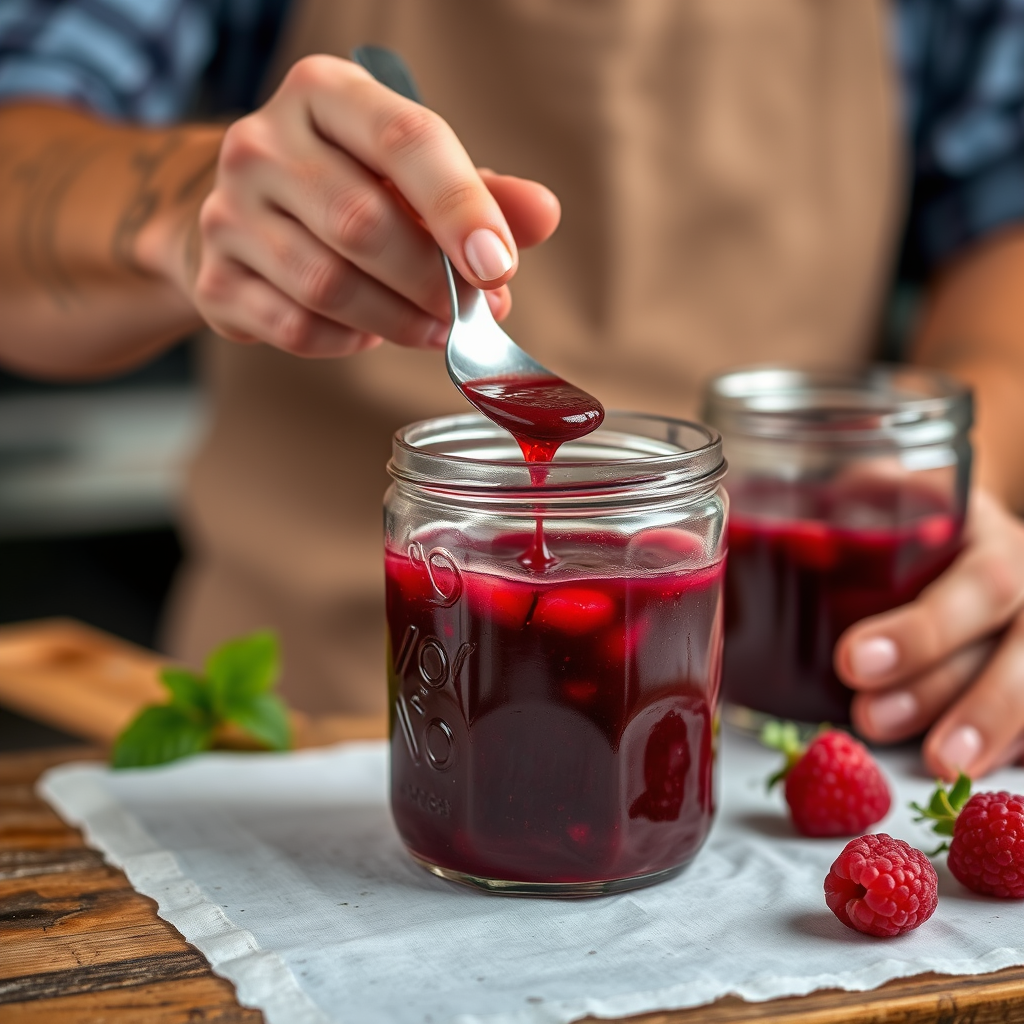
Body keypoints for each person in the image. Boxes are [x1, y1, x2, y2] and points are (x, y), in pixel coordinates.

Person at [2, 0, 1024, 783]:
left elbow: (1001, 222)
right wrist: (180, 206)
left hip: (777, 743)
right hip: (286, 748)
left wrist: (927, 497)